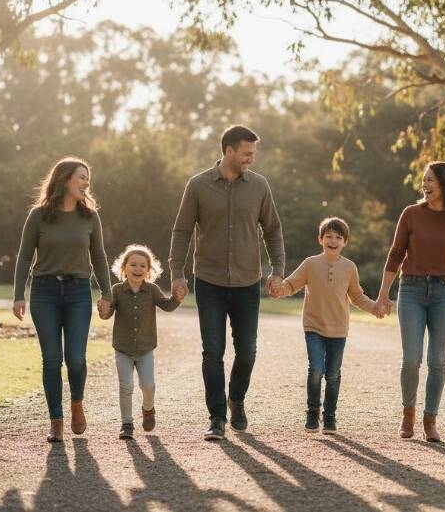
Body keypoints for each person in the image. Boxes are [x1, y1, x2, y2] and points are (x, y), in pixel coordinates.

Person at [169, 125, 285, 441]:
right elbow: (181, 231)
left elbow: (272, 230)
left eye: (253, 154)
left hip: (248, 282)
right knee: (213, 351)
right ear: (229, 151)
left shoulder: (259, 186)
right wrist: (176, 273)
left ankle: (236, 399)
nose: (251, 159)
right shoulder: (198, 186)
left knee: (247, 351)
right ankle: (217, 417)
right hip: (209, 281)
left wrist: (278, 270)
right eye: (247, 153)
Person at [376, 161, 445, 442]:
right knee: (411, 359)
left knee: (437, 361)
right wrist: (384, 293)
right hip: (411, 291)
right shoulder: (411, 214)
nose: (425, 184)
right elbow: (396, 254)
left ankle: (430, 419)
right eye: (424, 179)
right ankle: (408, 414)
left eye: (430, 179)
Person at [12, 157, 112, 442]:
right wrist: (19, 294)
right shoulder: (38, 216)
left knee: (77, 360)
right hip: (44, 293)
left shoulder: (90, 217)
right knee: (52, 360)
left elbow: (100, 257)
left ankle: (77, 404)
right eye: (81, 177)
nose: (86, 183)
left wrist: (106, 293)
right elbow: (24, 256)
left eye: (87, 178)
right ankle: (55, 420)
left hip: (79, 292)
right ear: (65, 179)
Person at [270, 217, 385, 434]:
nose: (333, 240)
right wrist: (279, 290)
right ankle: (313, 411)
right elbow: (291, 284)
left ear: (345, 243)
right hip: (313, 326)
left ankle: (329, 416)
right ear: (320, 239)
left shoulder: (350, 267)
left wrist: (374, 308)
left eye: (338, 237)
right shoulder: (310, 263)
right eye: (329, 236)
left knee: (332, 374)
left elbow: (357, 296)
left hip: (339, 329)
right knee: (316, 369)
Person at [100, 244, 179, 439]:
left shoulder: (152, 290)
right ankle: (126, 424)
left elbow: (167, 306)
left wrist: (176, 298)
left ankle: (148, 409)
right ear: (124, 267)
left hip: (145, 348)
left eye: (142, 266)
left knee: (148, 385)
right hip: (123, 348)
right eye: (133, 265)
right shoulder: (117, 290)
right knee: (125, 386)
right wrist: (103, 310)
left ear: (148, 270)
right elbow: (108, 313)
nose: (137, 269)